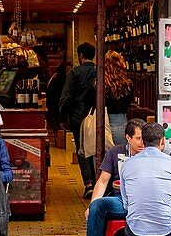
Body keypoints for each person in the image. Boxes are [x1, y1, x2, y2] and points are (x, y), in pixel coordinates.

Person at [78, 118, 145, 236]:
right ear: (128, 138)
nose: (142, 143)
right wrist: (92, 206)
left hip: (144, 203)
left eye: (145, 138)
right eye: (138, 138)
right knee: (98, 206)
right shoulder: (115, 152)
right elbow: (102, 181)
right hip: (121, 201)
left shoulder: (151, 155)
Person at [59, 42, 98, 195]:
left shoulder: (75, 73)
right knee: (96, 147)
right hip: (96, 115)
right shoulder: (98, 71)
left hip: (78, 117)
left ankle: (89, 183)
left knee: (82, 149)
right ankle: (98, 181)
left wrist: (62, 116)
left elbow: (66, 96)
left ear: (81, 56)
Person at [103, 51, 134, 144]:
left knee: (100, 156)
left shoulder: (99, 84)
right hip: (121, 122)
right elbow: (128, 103)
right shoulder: (128, 84)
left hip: (102, 121)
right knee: (120, 156)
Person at [45, 62, 68, 132]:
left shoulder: (55, 78)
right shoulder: (64, 79)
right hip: (59, 102)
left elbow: (48, 89)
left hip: (53, 101)